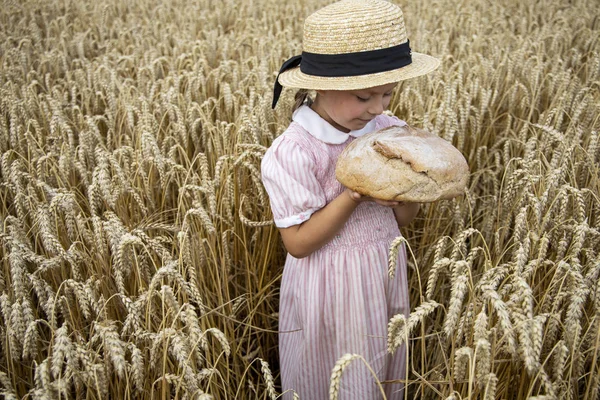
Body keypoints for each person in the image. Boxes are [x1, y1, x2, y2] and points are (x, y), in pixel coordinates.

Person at [261, 0, 440, 398]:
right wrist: (353, 194)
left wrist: (403, 195)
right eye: (364, 98)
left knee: (379, 371)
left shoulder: (389, 133)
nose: (378, 108)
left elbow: (403, 219)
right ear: (323, 86)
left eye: (388, 94)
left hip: (382, 275)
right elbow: (298, 243)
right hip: (328, 289)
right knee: (333, 377)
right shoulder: (296, 151)